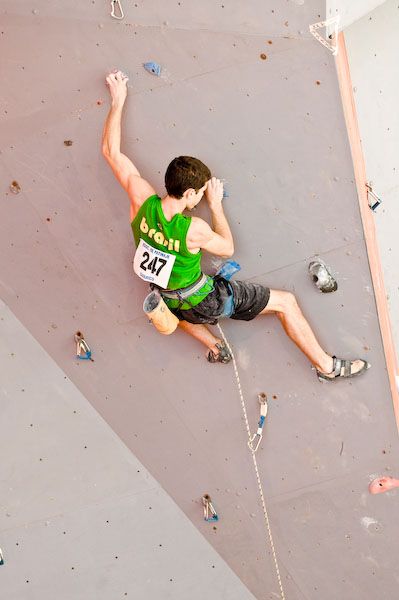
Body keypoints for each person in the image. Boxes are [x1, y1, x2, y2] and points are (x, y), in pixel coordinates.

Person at [102, 70, 370, 380]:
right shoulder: (193, 229)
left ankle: (214, 345)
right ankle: (328, 367)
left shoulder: (141, 200)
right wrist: (215, 206)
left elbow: (111, 151)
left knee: (177, 305)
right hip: (204, 302)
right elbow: (227, 247)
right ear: (189, 193)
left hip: (165, 294)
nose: (201, 197)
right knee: (286, 303)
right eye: (200, 193)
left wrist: (117, 100)